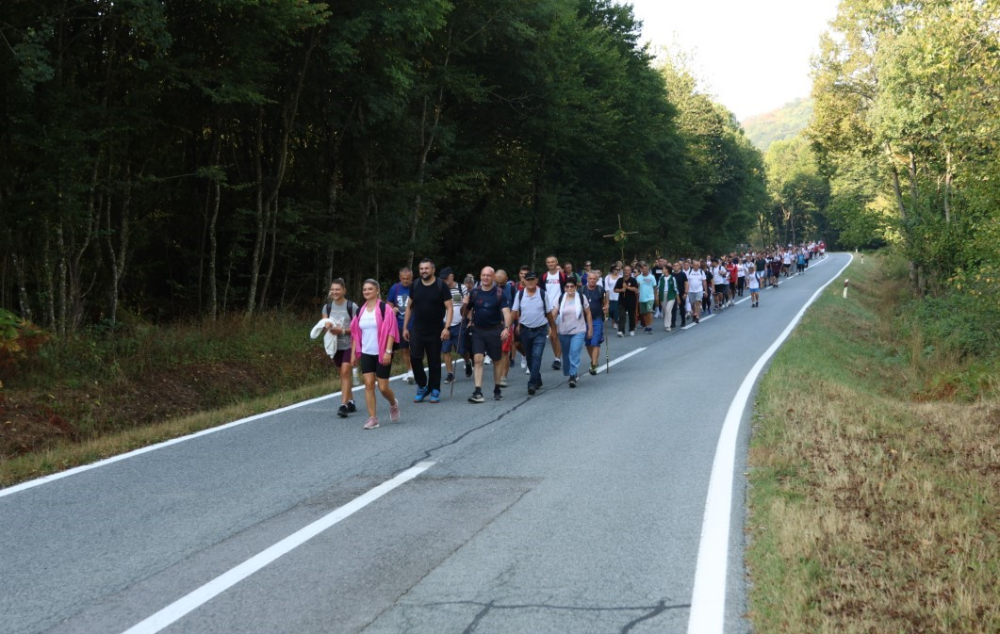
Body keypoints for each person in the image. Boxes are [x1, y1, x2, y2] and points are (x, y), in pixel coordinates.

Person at [349, 279, 401, 430]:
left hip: (383, 352)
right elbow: (355, 334)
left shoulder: (385, 309)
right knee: (369, 384)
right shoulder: (360, 311)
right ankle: (373, 418)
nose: (366, 292)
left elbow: (391, 331)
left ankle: (393, 403)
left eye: (370, 289)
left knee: (383, 387)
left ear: (377, 291)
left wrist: (388, 351)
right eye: (365, 289)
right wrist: (353, 354)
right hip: (366, 352)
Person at [402, 258, 452, 404]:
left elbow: (449, 307)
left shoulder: (440, 285)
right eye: (421, 268)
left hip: (436, 329)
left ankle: (435, 389)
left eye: (426, 268)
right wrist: (405, 327)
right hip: (417, 329)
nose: (424, 271)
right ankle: (422, 385)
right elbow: (409, 307)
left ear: (433, 270)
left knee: (434, 361)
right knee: (415, 358)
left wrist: (446, 328)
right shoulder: (415, 284)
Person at [464, 267, 513, 403]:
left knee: (497, 360)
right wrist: (465, 306)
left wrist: (507, 328)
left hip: (494, 330)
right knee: (478, 359)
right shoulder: (474, 292)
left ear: (493, 278)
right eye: (483, 275)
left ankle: (497, 389)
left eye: (488, 275)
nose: (485, 278)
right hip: (478, 330)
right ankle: (478, 391)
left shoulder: (499, 293)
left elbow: (507, 313)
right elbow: (465, 312)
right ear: (480, 276)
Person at [511, 271, 555, 395]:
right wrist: (507, 326)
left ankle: (532, 383)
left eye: (533, 279)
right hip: (525, 330)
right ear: (524, 281)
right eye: (528, 279)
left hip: (540, 330)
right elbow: (514, 312)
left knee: (537, 356)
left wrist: (553, 329)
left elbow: (549, 313)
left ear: (536, 281)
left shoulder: (542, 294)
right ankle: (538, 379)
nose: (530, 282)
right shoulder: (519, 294)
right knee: (529, 357)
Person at [321, 278, 358, 418]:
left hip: (349, 344)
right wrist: (328, 327)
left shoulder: (351, 306)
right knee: (343, 375)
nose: (335, 292)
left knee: (344, 373)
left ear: (344, 290)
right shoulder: (327, 307)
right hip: (335, 346)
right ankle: (351, 401)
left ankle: (343, 406)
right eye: (333, 289)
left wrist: (341, 331)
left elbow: (357, 329)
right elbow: (324, 326)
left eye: (338, 289)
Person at [554, 278, 592, 387]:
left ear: (575, 287)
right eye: (567, 286)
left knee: (574, 352)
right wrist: (551, 327)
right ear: (564, 288)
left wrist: (590, 328)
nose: (569, 288)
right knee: (566, 355)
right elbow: (554, 313)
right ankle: (570, 372)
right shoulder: (560, 298)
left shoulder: (581, 297)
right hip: (563, 330)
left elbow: (588, 313)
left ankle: (573, 375)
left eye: (572, 286)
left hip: (578, 330)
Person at [386, 267, 414, 383]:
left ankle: (416, 369)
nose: (405, 281)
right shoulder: (395, 288)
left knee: (415, 348)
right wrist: (392, 309)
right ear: (400, 278)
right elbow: (389, 302)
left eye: (408, 279)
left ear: (411, 278)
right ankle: (410, 371)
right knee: (404, 349)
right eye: (403, 279)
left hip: (415, 323)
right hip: (400, 323)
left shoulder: (416, 287)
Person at [440, 268, 466, 385]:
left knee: (461, 350)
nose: (444, 280)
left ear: (452, 276)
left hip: (459, 323)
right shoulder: (440, 289)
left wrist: (466, 302)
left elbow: (468, 305)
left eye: (446, 278)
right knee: (445, 350)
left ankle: (467, 361)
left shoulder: (462, 288)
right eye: (442, 278)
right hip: (445, 324)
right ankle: (450, 373)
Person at [580, 271, 608, 375]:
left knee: (595, 342)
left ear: (597, 280)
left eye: (594, 279)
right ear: (587, 279)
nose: (592, 281)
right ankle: (593, 359)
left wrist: (606, 307)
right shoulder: (581, 290)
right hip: (584, 320)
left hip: (597, 318)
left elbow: (606, 300)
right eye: (590, 279)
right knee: (588, 343)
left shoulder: (601, 290)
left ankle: (594, 364)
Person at [542, 255, 567, 369]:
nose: (551, 264)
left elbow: (568, 290)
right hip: (547, 309)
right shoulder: (543, 277)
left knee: (556, 333)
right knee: (552, 335)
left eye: (553, 262)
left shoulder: (562, 276)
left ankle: (558, 358)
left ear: (557, 262)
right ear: (546, 264)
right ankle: (557, 357)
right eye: (548, 262)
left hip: (561, 308)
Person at [494, 269, 517, 388]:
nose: (499, 286)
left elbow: (516, 307)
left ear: (506, 279)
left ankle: (503, 376)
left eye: (501, 283)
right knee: (495, 351)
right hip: (492, 324)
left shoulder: (512, 289)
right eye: (497, 283)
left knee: (504, 351)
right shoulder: (488, 288)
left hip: (507, 323)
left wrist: (512, 323)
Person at [614, 265, 639, 336]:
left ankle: (631, 329)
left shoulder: (633, 280)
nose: (626, 272)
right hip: (622, 301)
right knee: (622, 316)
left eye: (628, 270)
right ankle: (621, 330)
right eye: (625, 270)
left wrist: (627, 287)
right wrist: (621, 289)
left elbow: (635, 289)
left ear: (630, 271)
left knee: (632, 316)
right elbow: (615, 289)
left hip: (631, 300)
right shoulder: (620, 280)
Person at [656, 264, 678, 332]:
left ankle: (668, 325)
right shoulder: (661, 278)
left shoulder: (672, 278)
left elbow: (675, 288)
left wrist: (678, 297)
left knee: (668, 310)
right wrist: (657, 295)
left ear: (667, 270)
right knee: (665, 311)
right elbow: (658, 287)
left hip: (671, 295)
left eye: (663, 269)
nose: (662, 270)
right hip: (663, 295)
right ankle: (666, 324)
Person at [604, 264, 622, 331]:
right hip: (610, 295)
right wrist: (607, 295)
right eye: (616, 269)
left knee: (616, 310)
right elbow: (606, 287)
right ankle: (613, 319)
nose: (617, 271)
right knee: (611, 310)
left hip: (618, 295)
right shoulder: (608, 277)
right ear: (612, 270)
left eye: (618, 270)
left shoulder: (620, 277)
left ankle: (616, 323)